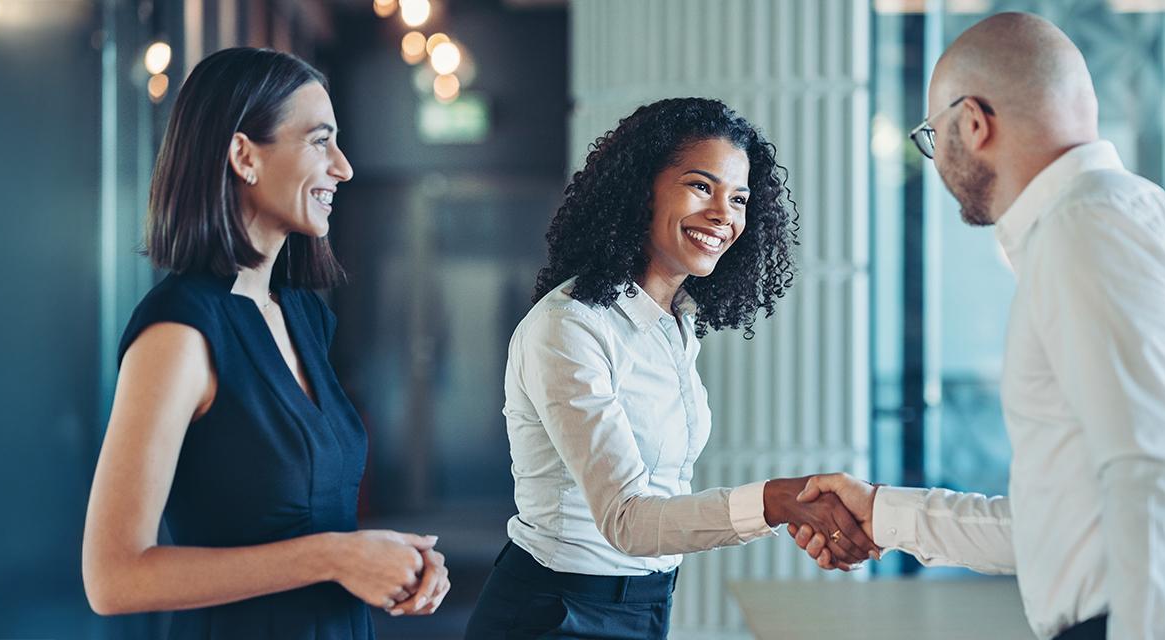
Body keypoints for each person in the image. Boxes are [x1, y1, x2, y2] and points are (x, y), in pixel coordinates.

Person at [792, 13, 1165, 640]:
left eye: (932, 135)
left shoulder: (1087, 228)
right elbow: (1065, 527)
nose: (936, 158)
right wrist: (883, 514)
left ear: (972, 123)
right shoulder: (1115, 217)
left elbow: (1152, 476)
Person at [463, 97, 876, 639]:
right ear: (641, 190)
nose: (724, 214)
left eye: (740, 198)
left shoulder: (675, 323)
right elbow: (628, 519)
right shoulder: (570, 327)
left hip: (648, 603)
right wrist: (776, 502)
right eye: (701, 186)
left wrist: (797, 509)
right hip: (556, 610)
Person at [81, 47, 449, 638]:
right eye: (319, 141)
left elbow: (305, 515)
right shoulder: (179, 332)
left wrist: (392, 561)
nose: (343, 167)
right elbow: (114, 578)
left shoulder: (302, 316)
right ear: (244, 155)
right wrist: (334, 555)